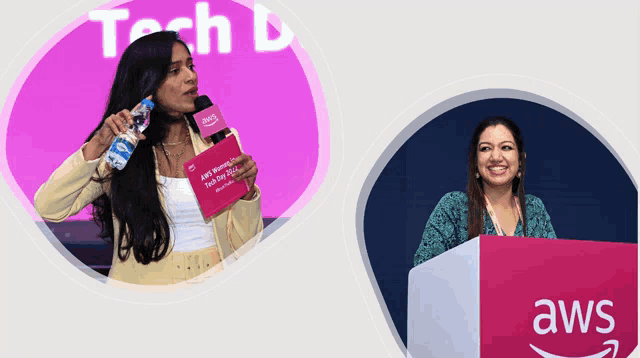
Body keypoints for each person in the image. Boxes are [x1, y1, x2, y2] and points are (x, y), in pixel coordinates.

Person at [34, 31, 263, 285]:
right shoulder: (122, 148)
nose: (191, 77)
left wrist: (246, 193)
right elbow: (49, 207)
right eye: (175, 71)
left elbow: (246, 247)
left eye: (190, 66)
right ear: (148, 83)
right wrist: (98, 144)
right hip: (144, 295)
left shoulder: (220, 139)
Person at [413, 116, 556, 266]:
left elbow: (555, 267)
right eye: (486, 148)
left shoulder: (533, 208)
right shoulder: (454, 207)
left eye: (506, 147)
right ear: (475, 162)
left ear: (520, 160)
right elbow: (423, 270)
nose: (495, 157)